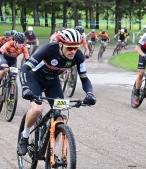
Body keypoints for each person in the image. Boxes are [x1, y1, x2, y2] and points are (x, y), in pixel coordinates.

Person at [17, 28, 96, 156]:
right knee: (37, 109)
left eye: (76, 47)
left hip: (52, 82)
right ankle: (24, 136)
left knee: (60, 115)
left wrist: (90, 94)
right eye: (69, 47)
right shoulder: (48, 50)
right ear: (60, 44)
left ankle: (54, 150)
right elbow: (25, 68)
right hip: (34, 79)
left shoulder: (79, 56)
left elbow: (84, 78)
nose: (73, 51)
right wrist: (25, 87)